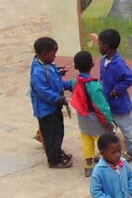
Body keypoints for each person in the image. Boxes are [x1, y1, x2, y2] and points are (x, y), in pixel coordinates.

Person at [29, 36, 73, 168]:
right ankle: (54, 160)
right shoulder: (38, 72)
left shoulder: (48, 66)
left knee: (58, 131)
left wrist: (63, 78)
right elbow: (43, 91)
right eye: (54, 53)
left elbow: (54, 80)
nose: (55, 56)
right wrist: (58, 98)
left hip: (54, 108)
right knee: (51, 135)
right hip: (46, 110)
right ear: (44, 54)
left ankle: (57, 152)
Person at [68, 50, 114, 178]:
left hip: (82, 119)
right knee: (103, 143)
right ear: (92, 64)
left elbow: (67, 85)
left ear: (75, 67)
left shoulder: (75, 82)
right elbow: (102, 107)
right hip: (96, 121)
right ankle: (105, 165)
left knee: (86, 141)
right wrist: (108, 121)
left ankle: (88, 166)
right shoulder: (94, 86)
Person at [98, 29, 132, 162]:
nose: (98, 47)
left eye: (99, 44)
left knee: (127, 130)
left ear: (106, 46)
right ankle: (109, 151)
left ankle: (131, 150)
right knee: (108, 129)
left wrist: (117, 90)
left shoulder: (119, 64)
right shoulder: (102, 60)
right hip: (107, 105)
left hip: (120, 106)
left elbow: (131, 78)